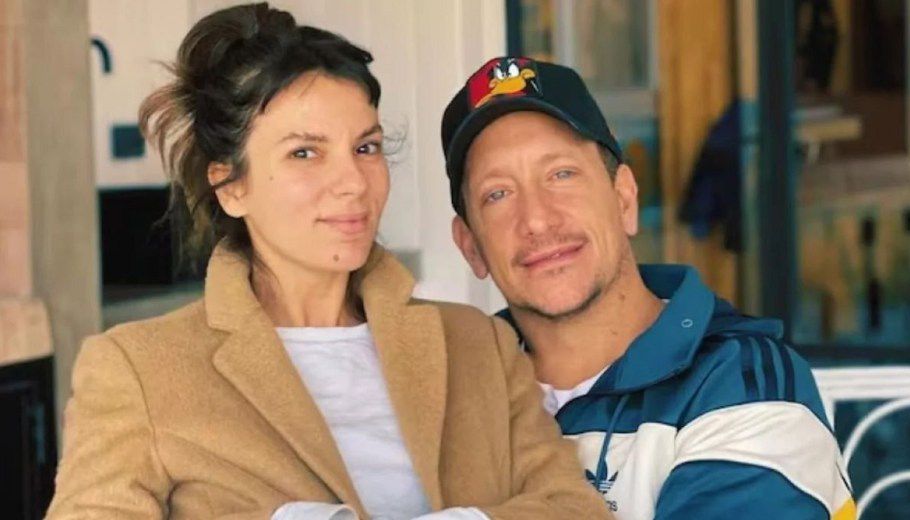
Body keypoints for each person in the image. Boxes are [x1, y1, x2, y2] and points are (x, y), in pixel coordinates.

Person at [45, 9, 610, 519]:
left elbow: (574, 510)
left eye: (365, 148)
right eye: (304, 153)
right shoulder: (140, 371)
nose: (352, 182)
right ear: (231, 186)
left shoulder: (478, 345)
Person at [441, 56, 855, 519]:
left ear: (624, 198)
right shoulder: (450, 392)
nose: (536, 219)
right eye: (497, 194)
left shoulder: (743, 383)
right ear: (471, 246)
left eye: (561, 174)